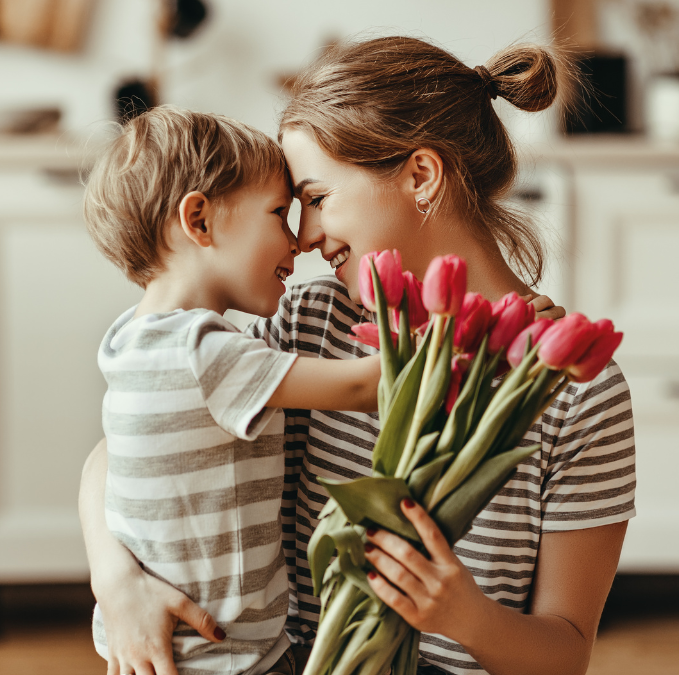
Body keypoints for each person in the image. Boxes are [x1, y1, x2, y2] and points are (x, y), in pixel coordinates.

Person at [80, 37, 636, 675]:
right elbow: (129, 440)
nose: (306, 238)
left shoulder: (575, 388)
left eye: (316, 199)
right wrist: (115, 579)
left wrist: (462, 614)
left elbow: (564, 656)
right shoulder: (311, 323)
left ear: (420, 176)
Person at [81, 106, 381, 675]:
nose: (297, 242)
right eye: (278, 213)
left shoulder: (130, 339)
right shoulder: (205, 354)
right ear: (199, 221)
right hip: (231, 659)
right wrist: (478, 327)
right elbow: (366, 386)